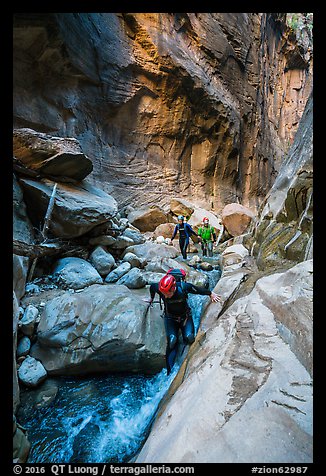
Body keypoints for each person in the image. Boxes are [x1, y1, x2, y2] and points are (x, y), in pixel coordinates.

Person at [145, 269, 221, 374]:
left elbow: (198, 290)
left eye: (167, 294)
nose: (165, 296)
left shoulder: (183, 287)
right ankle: (169, 371)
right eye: (163, 293)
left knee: (189, 338)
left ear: (174, 288)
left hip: (185, 316)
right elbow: (152, 287)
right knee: (172, 341)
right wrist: (151, 299)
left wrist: (211, 293)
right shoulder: (159, 288)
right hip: (170, 318)